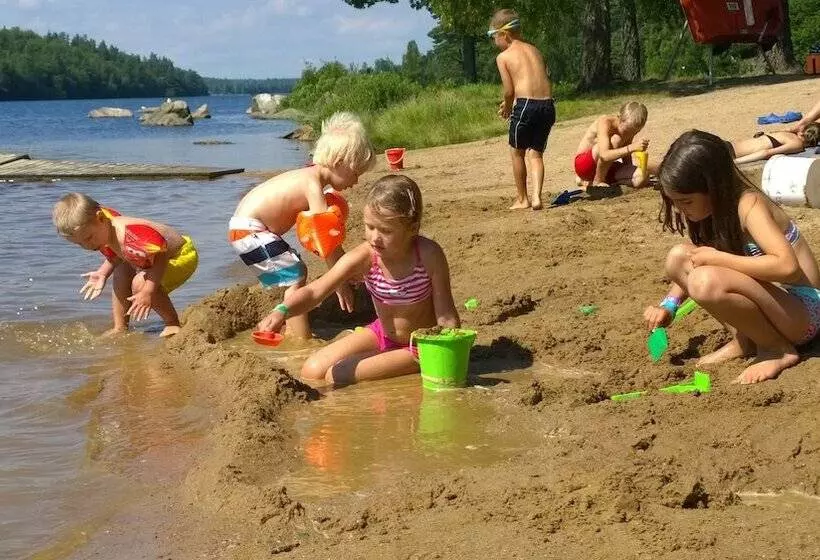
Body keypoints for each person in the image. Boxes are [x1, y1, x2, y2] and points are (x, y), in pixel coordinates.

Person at [643, 129, 820, 384]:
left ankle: (776, 349)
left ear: (712, 188)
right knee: (678, 257)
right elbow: (698, 260)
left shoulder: (750, 205)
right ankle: (745, 339)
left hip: (803, 312)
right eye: (675, 202)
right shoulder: (714, 212)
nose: (681, 210)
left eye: (687, 201)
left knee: (706, 280)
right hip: (776, 307)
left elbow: (787, 267)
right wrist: (669, 305)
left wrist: (718, 259)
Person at [256, 174, 460, 386]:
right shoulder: (365, 257)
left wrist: (446, 354)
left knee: (337, 375)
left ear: (412, 228)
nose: (374, 237)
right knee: (312, 370)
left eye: (386, 230)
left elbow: (446, 315)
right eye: (370, 227)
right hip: (382, 333)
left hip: (420, 345)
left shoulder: (428, 255)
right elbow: (317, 290)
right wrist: (282, 311)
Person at [229, 111, 375, 339]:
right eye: (355, 173)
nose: (356, 182)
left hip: (248, 227)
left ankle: (290, 326)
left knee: (294, 271)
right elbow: (326, 243)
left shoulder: (310, 176)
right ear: (339, 163)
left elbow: (327, 240)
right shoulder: (312, 186)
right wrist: (340, 282)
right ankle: (300, 338)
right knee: (297, 274)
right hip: (249, 229)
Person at [53, 192, 198, 337]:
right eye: (79, 244)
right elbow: (118, 254)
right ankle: (120, 327)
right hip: (151, 257)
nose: (87, 246)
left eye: (89, 238)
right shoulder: (104, 227)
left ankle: (172, 323)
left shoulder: (131, 235)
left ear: (101, 218)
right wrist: (103, 273)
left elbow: (161, 257)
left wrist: (148, 291)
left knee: (139, 284)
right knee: (121, 270)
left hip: (179, 255)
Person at [489, 8, 555, 211]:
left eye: (493, 36)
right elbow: (538, 80)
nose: (493, 42)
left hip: (525, 105)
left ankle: (522, 198)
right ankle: (536, 197)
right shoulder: (535, 50)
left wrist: (508, 107)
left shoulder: (504, 57)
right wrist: (514, 100)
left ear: (504, 34)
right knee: (536, 154)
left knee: (517, 152)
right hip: (547, 105)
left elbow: (509, 91)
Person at [574, 101, 651, 197]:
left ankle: (588, 184)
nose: (629, 133)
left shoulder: (630, 128)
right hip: (585, 165)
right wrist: (632, 148)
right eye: (627, 130)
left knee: (642, 177)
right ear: (620, 117)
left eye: (634, 131)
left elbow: (626, 154)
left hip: (606, 167)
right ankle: (598, 182)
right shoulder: (605, 122)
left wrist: (629, 169)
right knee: (616, 141)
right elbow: (604, 155)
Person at [731, 123, 820, 165]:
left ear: (802, 130)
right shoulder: (797, 144)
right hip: (732, 154)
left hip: (730, 145)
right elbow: (766, 153)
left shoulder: (787, 134)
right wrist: (735, 162)